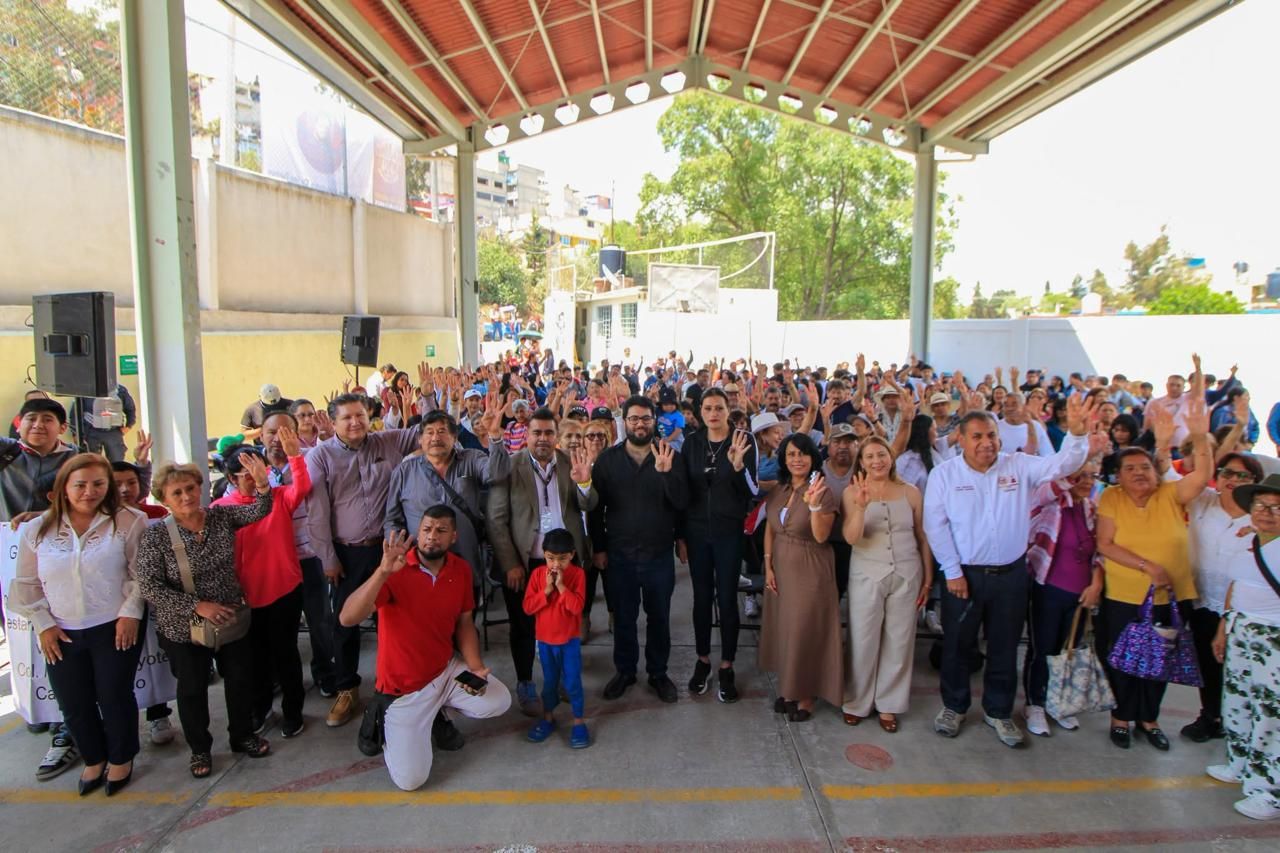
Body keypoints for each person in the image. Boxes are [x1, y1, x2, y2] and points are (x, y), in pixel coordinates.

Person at [924, 394, 1097, 748]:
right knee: (958, 645)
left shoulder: (1018, 466)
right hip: (964, 577)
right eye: (977, 436)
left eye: (992, 435)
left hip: (1012, 575)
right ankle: (954, 706)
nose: (987, 443)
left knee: (1004, 646)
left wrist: (1077, 436)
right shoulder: (944, 475)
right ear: (963, 439)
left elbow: (1062, 465)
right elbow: (935, 526)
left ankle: (999, 712)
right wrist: (953, 572)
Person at [337, 510, 511, 791]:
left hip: (445, 671)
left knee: (498, 700)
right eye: (427, 529)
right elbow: (347, 618)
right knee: (411, 781)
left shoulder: (461, 569)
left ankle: (436, 715)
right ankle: (382, 717)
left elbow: (465, 623)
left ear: (453, 537)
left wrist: (476, 668)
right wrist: (381, 573)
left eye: (441, 530)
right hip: (403, 689)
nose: (432, 536)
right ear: (419, 532)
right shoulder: (394, 569)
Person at [11, 454, 147, 796]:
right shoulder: (36, 529)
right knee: (74, 701)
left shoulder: (130, 521)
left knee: (114, 695)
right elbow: (27, 584)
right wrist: (43, 624)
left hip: (114, 625)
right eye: (80, 485)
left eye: (99, 484)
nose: (90, 492)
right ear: (64, 488)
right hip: (60, 630)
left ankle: (121, 757)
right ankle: (93, 757)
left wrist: (130, 613)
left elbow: (140, 574)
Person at [306, 381, 436, 728]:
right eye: (346, 417)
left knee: (395, 620)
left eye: (360, 415)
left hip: (390, 549)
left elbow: (428, 431)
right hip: (347, 555)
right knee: (344, 623)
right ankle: (347, 688)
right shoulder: (320, 456)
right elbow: (317, 512)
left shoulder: (387, 440)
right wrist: (328, 558)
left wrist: (425, 398)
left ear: (370, 417)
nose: (354, 422)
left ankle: (398, 683)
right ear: (333, 423)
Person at [135, 459, 274, 779]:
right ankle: (200, 748)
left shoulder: (221, 517)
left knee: (240, 679)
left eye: (190, 488)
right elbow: (149, 586)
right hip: (182, 626)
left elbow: (259, 511)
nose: (186, 496)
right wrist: (198, 606)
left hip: (228, 618)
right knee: (193, 687)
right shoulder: (156, 537)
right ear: (164, 499)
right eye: (176, 492)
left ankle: (242, 735)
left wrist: (262, 485)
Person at [1095, 393, 1212, 751]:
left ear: (1155, 471)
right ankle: (1121, 716)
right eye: (1129, 469)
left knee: (1160, 658)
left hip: (1171, 597)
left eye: (1144, 467)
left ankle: (1149, 718)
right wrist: (1148, 567)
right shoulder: (1111, 498)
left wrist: (1201, 437)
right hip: (1124, 595)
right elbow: (1106, 544)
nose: (1138, 473)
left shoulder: (1171, 494)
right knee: (1122, 658)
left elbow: (1204, 474)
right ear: (1118, 476)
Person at [486, 407, 595, 717]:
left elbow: (589, 505)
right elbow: (496, 519)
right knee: (523, 627)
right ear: (526, 435)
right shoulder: (510, 466)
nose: (543, 438)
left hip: (564, 562)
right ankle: (525, 683)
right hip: (525, 562)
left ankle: (559, 681)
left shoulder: (569, 463)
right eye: (537, 432)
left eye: (549, 433)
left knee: (563, 625)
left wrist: (584, 483)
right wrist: (510, 564)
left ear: (556, 435)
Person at [211, 427, 310, 739]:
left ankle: (293, 712)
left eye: (259, 470)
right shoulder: (220, 511)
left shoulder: (279, 498)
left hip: (284, 591)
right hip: (245, 599)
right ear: (231, 480)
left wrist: (295, 455)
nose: (255, 478)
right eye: (246, 474)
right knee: (254, 659)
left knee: (285, 654)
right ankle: (262, 708)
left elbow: (302, 486)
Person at [590, 395, 689, 703]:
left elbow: (682, 503)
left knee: (659, 616)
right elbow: (595, 509)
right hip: (620, 555)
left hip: (658, 554)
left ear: (653, 420)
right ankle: (625, 671)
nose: (640, 424)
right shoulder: (607, 460)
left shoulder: (671, 456)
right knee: (624, 617)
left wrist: (665, 475)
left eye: (646, 418)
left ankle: (658, 673)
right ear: (624, 422)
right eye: (633, 419)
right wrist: (600, 548)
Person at [2, 397, 81, 778]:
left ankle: (65, 722)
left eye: (48, 419)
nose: (38, 425)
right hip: (8, 564)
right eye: (31, 418)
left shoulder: (75, 462)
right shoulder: (7, 455)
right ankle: (39, 707)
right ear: (18, 424)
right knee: (21, 637)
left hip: (59, 565)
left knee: (58, 637)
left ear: (61, 427)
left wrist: (47, 516)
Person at [839, 436, 931, 732]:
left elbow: (922, 536)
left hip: (906, 573)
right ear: (861, 462)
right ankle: (856, 700)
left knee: (899, 640)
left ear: (891, 458)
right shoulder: (852, 491)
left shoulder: (912, 492)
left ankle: (889, 704)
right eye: (870, 457)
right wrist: (862, 507)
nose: (877, 461)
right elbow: (851, 538)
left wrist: (928, 577)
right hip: (867, 573)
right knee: (863, 638)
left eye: (882, 455)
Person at [1208, 474, 1280, 821]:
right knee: (1237, 700)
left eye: (1277, 507)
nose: (1267, 512)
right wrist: (1224, 625)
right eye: (1261, 505)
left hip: (1274, 637)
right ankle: (1238, 763)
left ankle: (1267, 790)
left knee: (1271, 714)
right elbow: (1236, 586)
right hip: (1241, 629)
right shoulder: (1249, 541)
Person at [678, 388, 755, 702]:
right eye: (708, 408)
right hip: (697, 532)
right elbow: (683, 494)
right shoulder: (692, 443)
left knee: (726, 599)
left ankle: (726, 664)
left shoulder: (742, 441)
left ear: (728, 410)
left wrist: (738, 466)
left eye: (719, 408)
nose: (713, 414)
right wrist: (680, 536)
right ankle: (703, 660)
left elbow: (751, 491)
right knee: (700, 598)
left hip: (728, 532)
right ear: (701, 411)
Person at [1182, 452, 1264, 743]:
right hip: (1203, 599)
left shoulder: (1262, 517)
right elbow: (1172, 475)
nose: (1233, 480)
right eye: (1228, 473)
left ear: (1254, 483)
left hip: (1244, 606)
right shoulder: (1203, 501)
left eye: (1243, 476)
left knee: (1240, 668)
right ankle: (1211, 716)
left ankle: (1244, 725)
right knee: (1207, 663)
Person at [1022, 452, 1106, 736]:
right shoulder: (1051, 504)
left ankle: (1058, 702)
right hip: (1048, 589)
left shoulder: (1093, 510)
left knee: (1066, 651)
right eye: (1078, 476)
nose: (1085, 482)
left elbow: (1101, 552)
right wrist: (1078, 459)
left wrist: (1095, 585)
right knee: (1042, 649)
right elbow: (1049, 490)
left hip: (1079, 595)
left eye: (1091, 476)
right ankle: (1035, 704)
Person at [761, 433, 841, 721]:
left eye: (803, 454)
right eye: (792, 454)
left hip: (810, 568)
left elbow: (821, 536)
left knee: (805, 630)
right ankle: (789, 687)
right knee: (786, 629)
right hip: (780, 565)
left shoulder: (822, 490)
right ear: (784, 457)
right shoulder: (779, 489)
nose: (797, 459)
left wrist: (816, 506)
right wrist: (768, 565)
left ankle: (806, 694)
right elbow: (770, 528)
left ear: (813, 458)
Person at [523, 528, 590, 748]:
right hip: (545, 641)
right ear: (543, 554)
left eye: (562, 559)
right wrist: (546, 590)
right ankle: (548, 717)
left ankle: (578, 721)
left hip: (569, 641)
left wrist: (561, 587)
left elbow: (577, 607)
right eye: (551, 558)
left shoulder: (578, 575)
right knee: (549, 683)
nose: (555, 565)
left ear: (571, 555)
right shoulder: (536, 576)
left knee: (572, 682)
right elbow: (528, 607)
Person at [69, 383, 136, 462]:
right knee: (91, 463)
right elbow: (75, 413)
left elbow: (130, 409)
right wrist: (76, 434)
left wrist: (128, 426)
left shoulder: (120, 390)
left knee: (117, 463)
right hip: (91, 432)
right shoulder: (85, 390)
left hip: (113, 432)